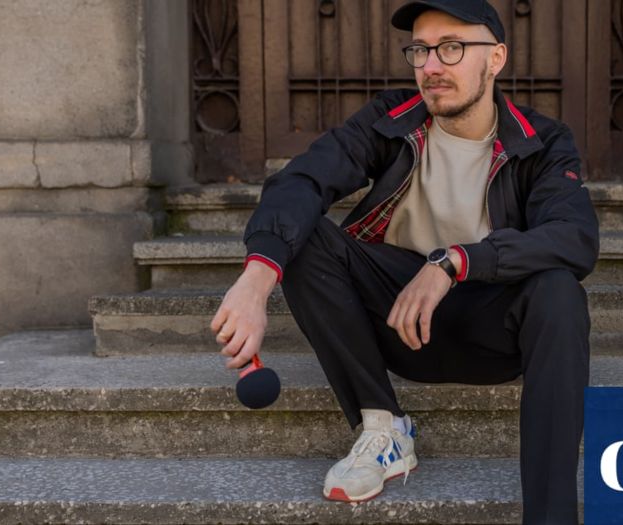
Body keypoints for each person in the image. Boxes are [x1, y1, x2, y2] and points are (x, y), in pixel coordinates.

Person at [210, 1, 598, 522]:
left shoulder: (542, 140)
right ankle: (383, 427)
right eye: (420, 50)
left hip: (493, 331)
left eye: (452, 48)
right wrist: (256, 281)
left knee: (559, 292)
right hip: (395, 324)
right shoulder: (392, 118)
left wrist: (453, 262)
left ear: (496, 58)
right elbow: (302, 180)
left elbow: (574, 237)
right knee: (306, 238)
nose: (431, 66)